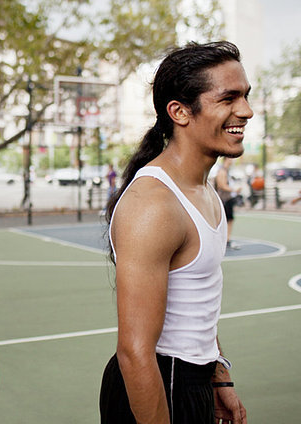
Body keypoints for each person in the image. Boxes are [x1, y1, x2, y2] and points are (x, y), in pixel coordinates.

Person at [100, 41, 250, 424]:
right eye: (228, 98)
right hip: (159, 383)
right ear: (180, 112)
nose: (246, 111)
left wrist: (220, 380)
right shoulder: (154, 204)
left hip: (194, 379)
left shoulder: (204, 191)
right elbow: (135, 352)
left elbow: (197, 307)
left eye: (246, 96)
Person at [215, 157, 242, 248]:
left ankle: (227, 239)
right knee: (224, 220)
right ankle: (223, 239)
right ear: (226, 159)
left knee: (230, 219)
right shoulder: (222, 171)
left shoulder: (226, 171)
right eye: (230, 158)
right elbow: (221, 185)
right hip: (224, 199)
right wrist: (234, 189)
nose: (232, 160)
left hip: (228, 198)